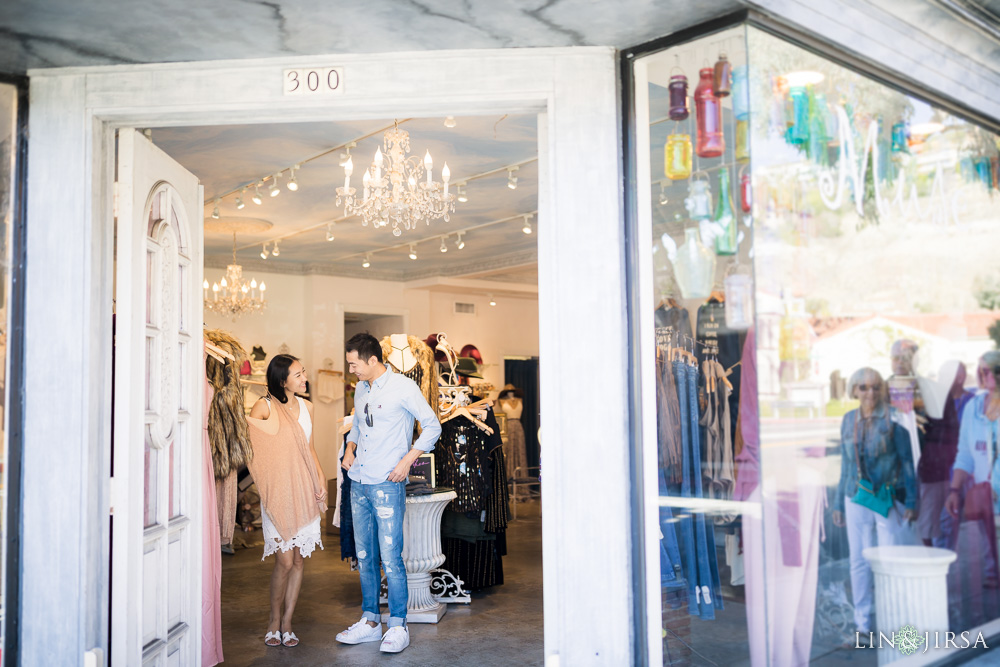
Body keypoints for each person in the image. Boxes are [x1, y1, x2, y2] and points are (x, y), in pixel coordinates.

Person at [336, 332, 442, 654]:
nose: (350, 369)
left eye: (354, 363)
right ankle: (370, 621)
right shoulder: (360, 387)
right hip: (359, 480)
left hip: (386, 481)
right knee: (365, 556)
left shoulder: (404, 388)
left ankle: (398, 624)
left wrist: (408, 460)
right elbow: (357, 423)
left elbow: (432, 425)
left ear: (372, 360)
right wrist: (350, 447)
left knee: (392, 558)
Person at [245, 354, 327, 648]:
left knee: (300, 560)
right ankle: (273, 620)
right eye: (298, 375)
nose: (305, 379)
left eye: (304, 373)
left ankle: (288, 623)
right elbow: (251, 448)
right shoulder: (264, 406)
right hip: (279, 492)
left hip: (304, 487)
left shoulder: (308, 407)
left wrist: (320, 482)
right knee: (285, 560)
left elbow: (310, 449)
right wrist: (269, 481)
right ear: (282, 381)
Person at [832, 367, 917, 638]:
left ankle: (893, 619)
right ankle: (863, 623)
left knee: (888, 559)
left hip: (886, 496)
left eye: (875, 387)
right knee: (858, 560)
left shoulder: (893, 418)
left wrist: (913, 500)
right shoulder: (848, 420)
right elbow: (845, 463)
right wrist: (837, 503)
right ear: (854, 391)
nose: (870, 393)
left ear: (882, 390)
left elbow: (907, 462)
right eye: (864, 387)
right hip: (854, 495)